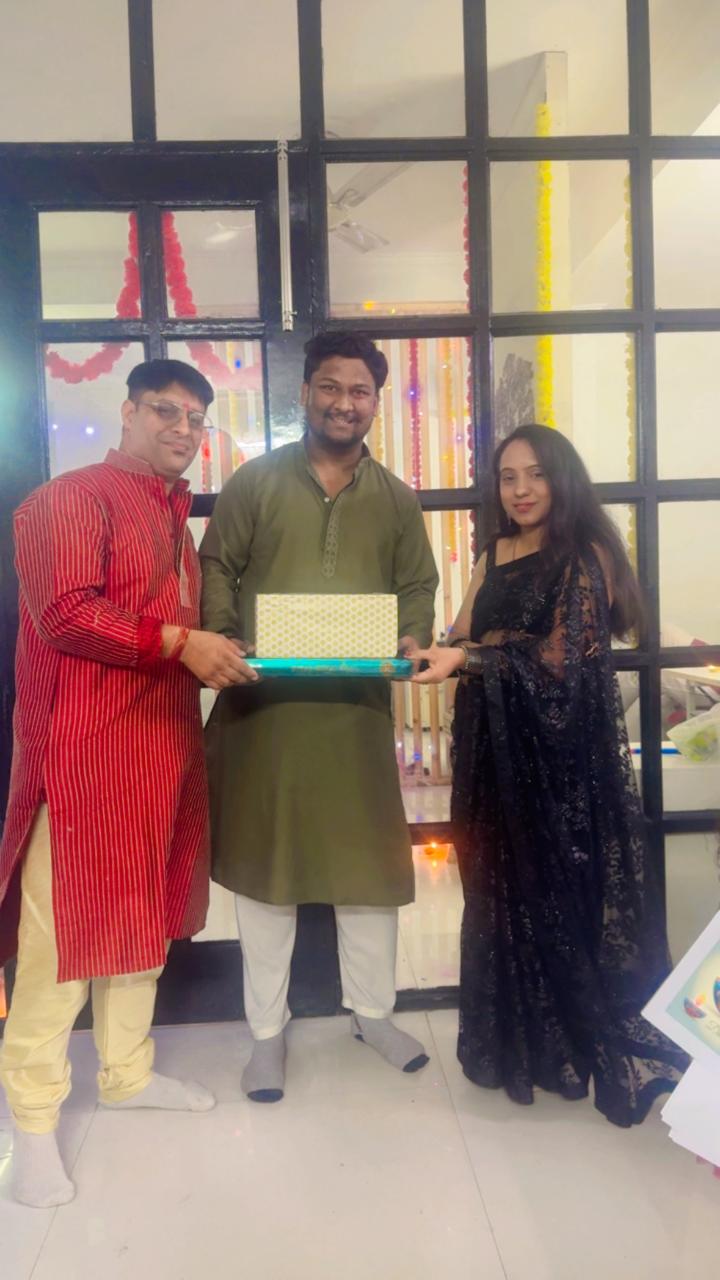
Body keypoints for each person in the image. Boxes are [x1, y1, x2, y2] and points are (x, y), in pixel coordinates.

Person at [0, 358, 256, 1208]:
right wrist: (183, 643)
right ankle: (33, 1125)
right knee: (61, 946)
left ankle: (127, 1074)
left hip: (160, 752)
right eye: (165, 411)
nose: (182, 430)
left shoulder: (173, 517)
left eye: (196, 419)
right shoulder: (70, 501)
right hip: (81, 760)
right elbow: (65, 614)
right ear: (128, 411)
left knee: (143, 922)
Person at [413, 423, 687, 1127]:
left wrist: (474, 658)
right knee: (495, 891)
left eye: (535, 474)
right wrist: (439, 647)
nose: (521, 489)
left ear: (562, 477)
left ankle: (569, 1044)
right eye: (508, 477)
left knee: (557, 894)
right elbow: (464, 630)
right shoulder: (494, 551)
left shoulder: (584, 553)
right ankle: (514, 1046)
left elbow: (565, 662)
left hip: (560, 761)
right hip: (491, 751)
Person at [200, 332, 439, 1101]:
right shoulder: (255, 482)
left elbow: (417, 586)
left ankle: (374, 1015)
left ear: (375, 402)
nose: (344, 403)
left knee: (367, 873)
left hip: (354, 715)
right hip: (266, 715)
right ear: (305, 392)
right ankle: (266, 1034)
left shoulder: (396, 499)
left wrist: (412, 638)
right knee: (266, 877)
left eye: (359, 391)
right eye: (330, 387)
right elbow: (218, 565)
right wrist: (225, 635)